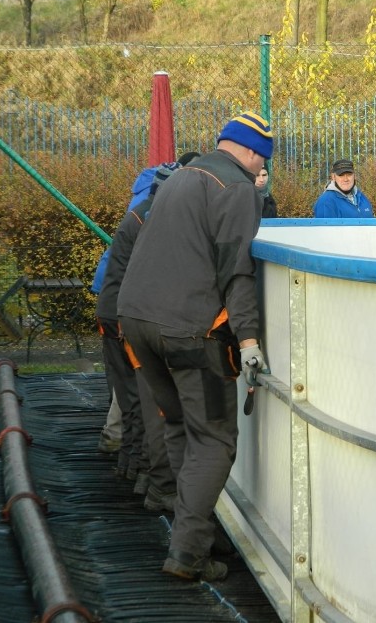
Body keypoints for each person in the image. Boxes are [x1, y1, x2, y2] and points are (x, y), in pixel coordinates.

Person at [118, 111, 272, 582]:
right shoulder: (238, 189)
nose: (260, 170)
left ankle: (196, 531)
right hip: (188, 332)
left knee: (182, 428)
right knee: (215, 440)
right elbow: (237, 269)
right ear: (252, 153)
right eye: (262, 160)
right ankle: (187, 555)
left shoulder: (182, 176)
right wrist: (248, 339)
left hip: (137, 323)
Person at [95, 154, 200, 499]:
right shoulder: (152, 220)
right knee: (144, 403)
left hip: (119, 312)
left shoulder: (142, 212)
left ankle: (136, 470)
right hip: (127, 317)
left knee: (133, 400)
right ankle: (150, 479)